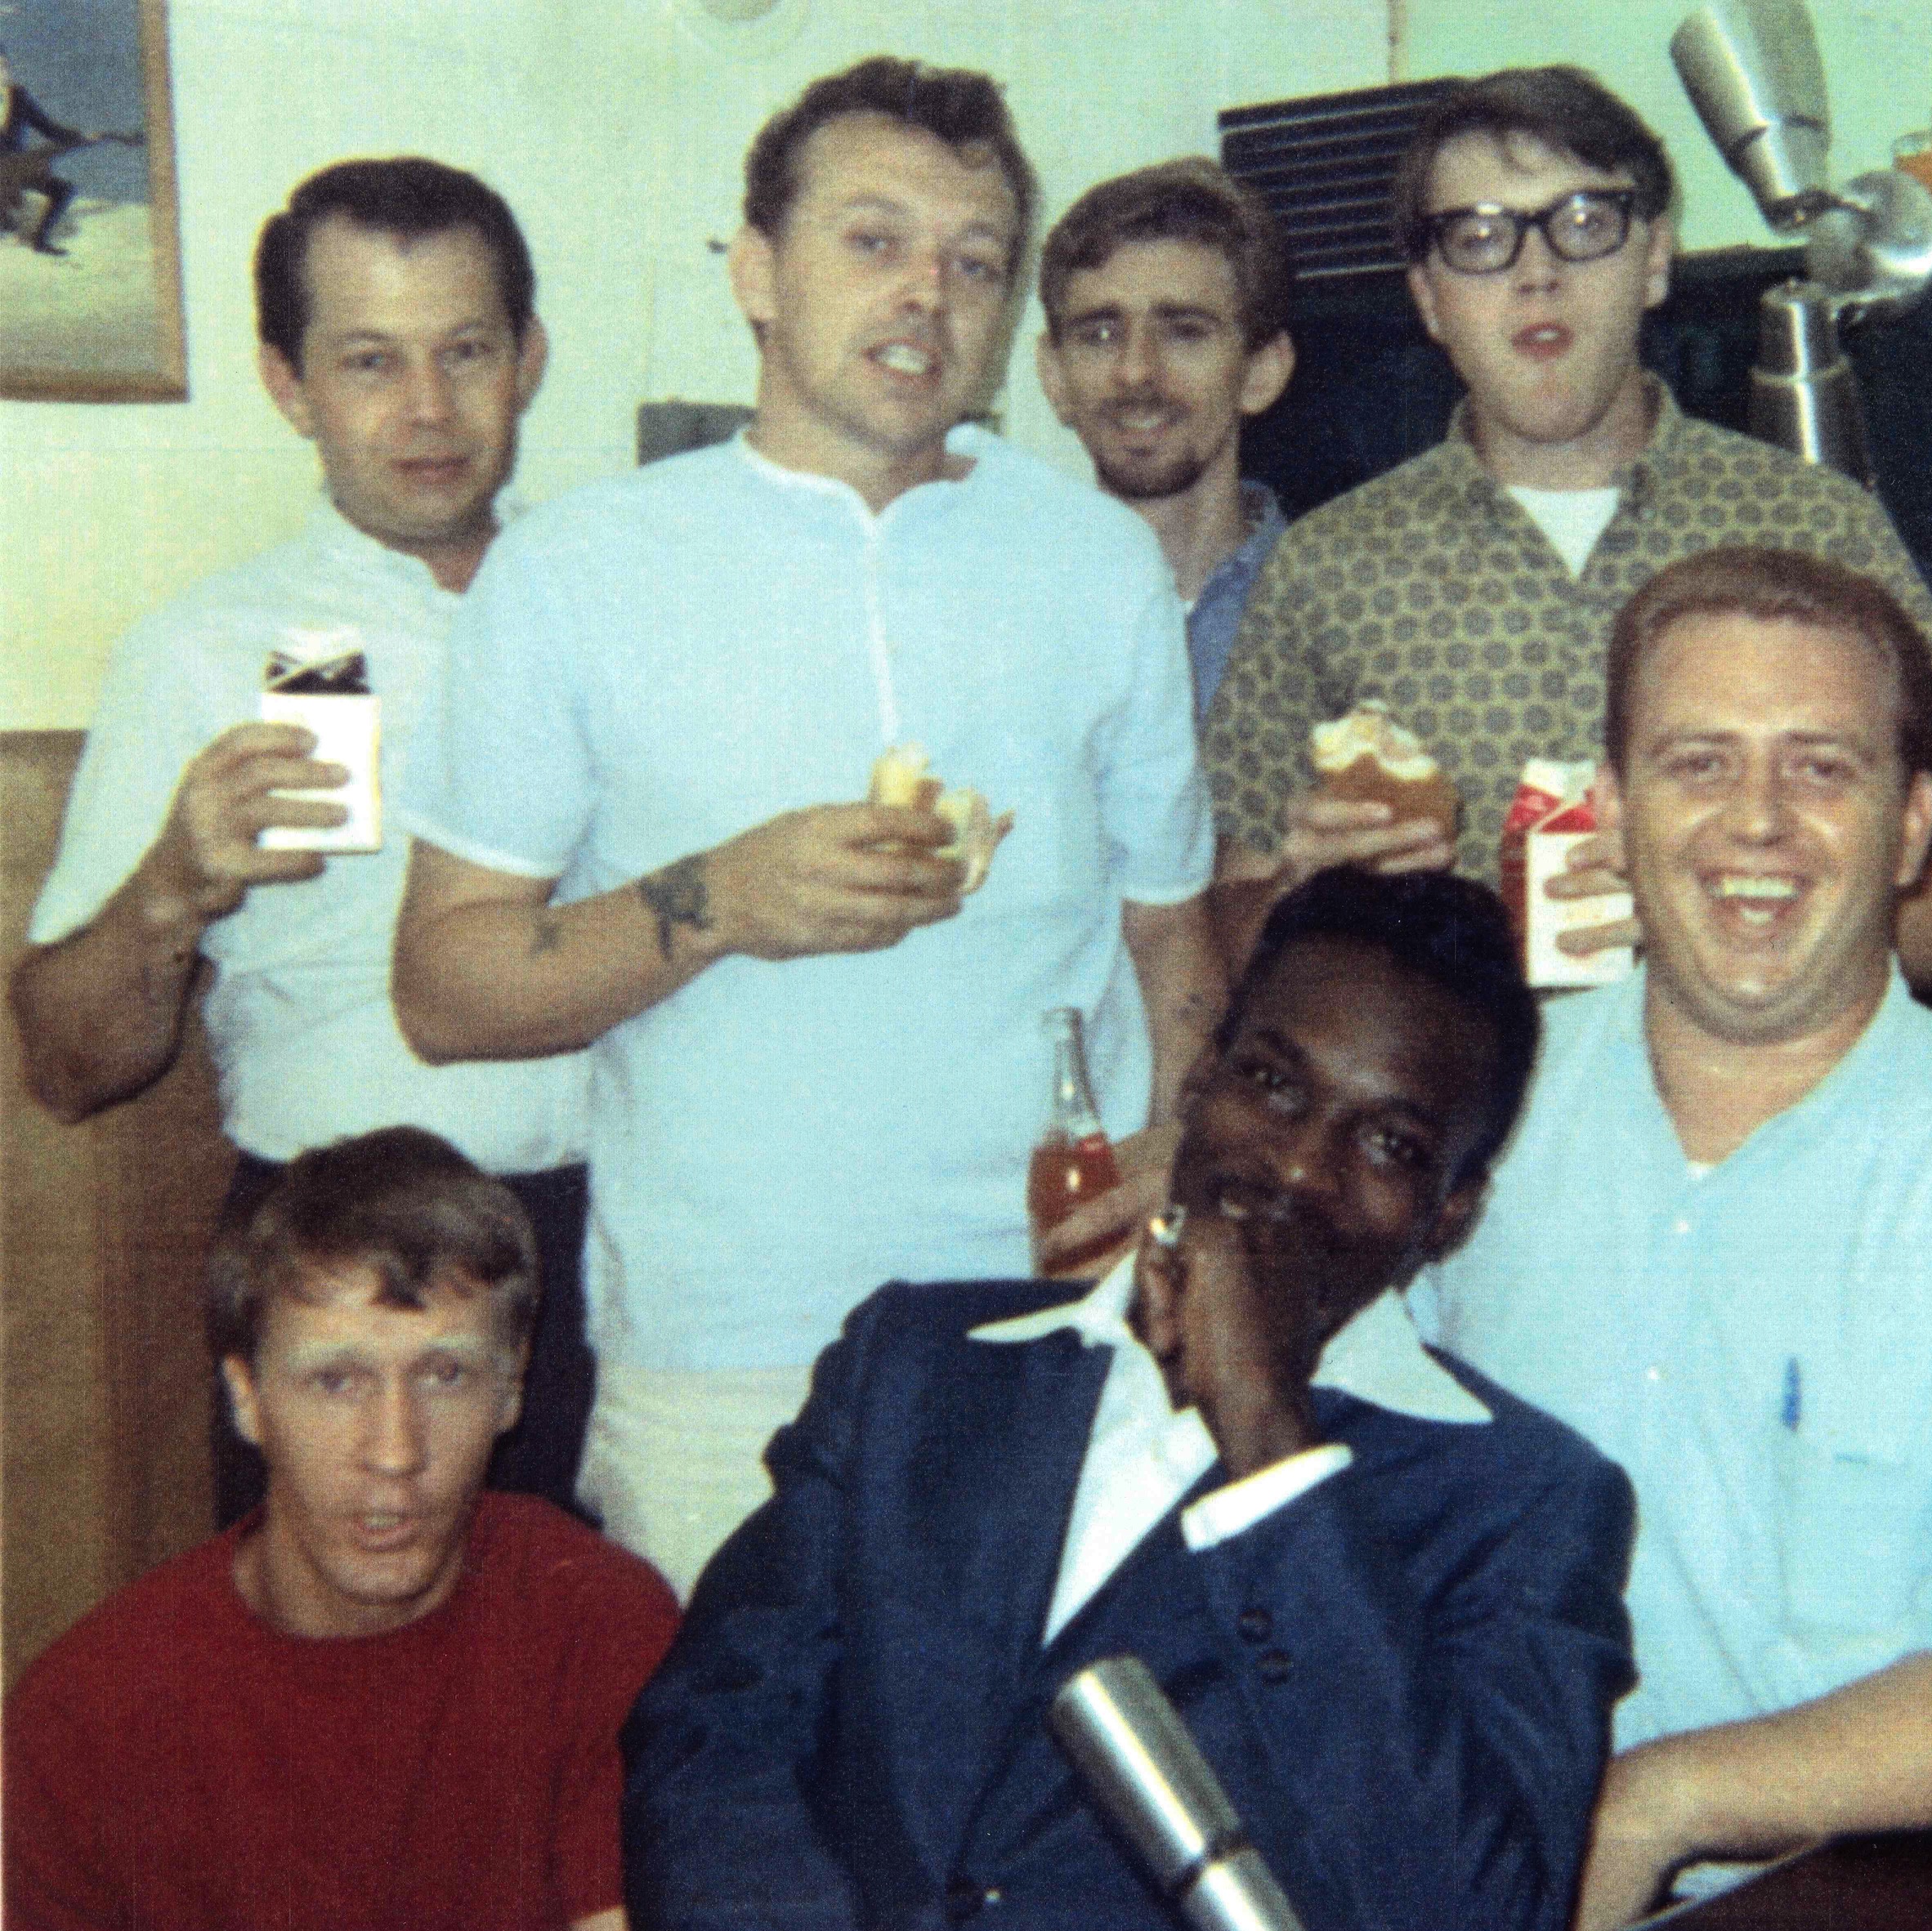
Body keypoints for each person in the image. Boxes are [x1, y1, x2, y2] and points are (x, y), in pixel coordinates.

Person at [392, 56, 1224, 1598]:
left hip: (1059, 1323)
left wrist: (1178, 1140)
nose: (926, 294)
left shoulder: (1098, 564)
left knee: (1071, 1750)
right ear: (757, 274)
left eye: (974, 260)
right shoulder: (577, 569)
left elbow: (1169, 927)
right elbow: (445, 989)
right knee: (743, 1760)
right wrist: (719, 900)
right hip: (725, 1360)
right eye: (872, 240)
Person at [1420, 548, 1932, 1931]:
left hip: (1831, 1921)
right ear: (1611, 811)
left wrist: (1651, 1803)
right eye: (1699, 763)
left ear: (1911, 829)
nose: (1757, 823)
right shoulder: (1474, 1111)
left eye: (1821, 769)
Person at [621, 868, 1635, 1931]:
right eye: (1271, 1083)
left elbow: (1468, 1925)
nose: (1300, 1168)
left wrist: (1270, 1439)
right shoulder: (917, 1364)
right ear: (1198, 1083)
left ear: (1451, 1216)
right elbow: (713, 1740)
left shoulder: (1523, 1503)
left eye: (1389, 1144)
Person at [13, 157, 593, 1526]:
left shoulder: (613, 605)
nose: (429, 408)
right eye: (370, 361)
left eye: (465, 351)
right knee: (343, 1655)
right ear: (288, 384)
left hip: (625, 1245)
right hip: (333, 1263)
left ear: (527, 358)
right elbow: (65, 1068)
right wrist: (171, 888)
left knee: (620, 1645)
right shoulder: (209, 650)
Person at [1203, 65, 1932, 988]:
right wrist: (1303, 900)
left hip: (1743, 1077)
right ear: (1430, 298)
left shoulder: (1815, 530)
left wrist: (1729, 927)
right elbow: (1228, 923)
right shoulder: (1327, 567)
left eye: (1585, 222)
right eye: (1479, 239)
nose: (1538, 274)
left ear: (1655, 259)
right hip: (1455, 1082)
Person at [2, 1127, 680, 1931]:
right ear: (247, 1396)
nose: (394, 1451)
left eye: (445, 1375)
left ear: (511, 1386)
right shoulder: (85, 1716)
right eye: (335, 1380)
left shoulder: (595, 1621)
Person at [1037, 158, 1296, 717]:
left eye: (1184, 333)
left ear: (1261, 371)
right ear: (1054, 376)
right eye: (1100, 334)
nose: (1136, 371)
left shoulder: (1331, 606)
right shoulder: (1006, 615)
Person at [0, 47, 83, 255]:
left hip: (18, 169)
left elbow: (48, 127)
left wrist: (77, 136)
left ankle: (39, 241)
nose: (2, 71)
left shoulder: (19, 98)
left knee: (64, 190)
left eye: (4, 65)